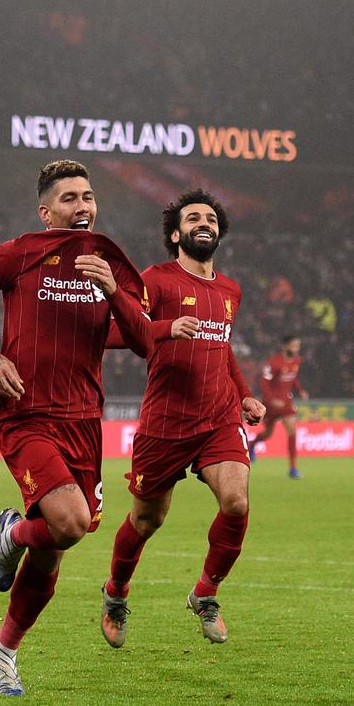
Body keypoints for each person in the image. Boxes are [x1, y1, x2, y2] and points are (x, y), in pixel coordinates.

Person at [0, 160, 166, 697]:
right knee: (67, 523)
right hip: (28, 415)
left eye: (88, 196)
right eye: (69, 198)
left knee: (57, 546)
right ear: (46, 211)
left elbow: (144, 340)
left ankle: (3, 653)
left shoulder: (109, 264)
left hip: (85, 421)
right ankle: (11, 531)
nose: (82, 206)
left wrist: (114, 292)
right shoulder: (16, 254)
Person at [100, 189, 267, 651]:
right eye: (193, 218)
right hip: (165, 423)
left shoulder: (230, 290)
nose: (204, 223)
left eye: (210, 218)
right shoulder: (155, 280)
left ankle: (205, 594)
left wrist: (246, 395)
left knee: (236, 502)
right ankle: (115, 592)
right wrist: (163, 329)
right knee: (147, 519)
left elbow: (223, 348)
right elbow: (116, 333)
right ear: (176, 234)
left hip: (218, 418)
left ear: (219, 232)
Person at [249, 336, 308, 478]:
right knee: (268, 434)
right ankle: (252, 444)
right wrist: (271, 400)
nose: (296, 349)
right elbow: (264, 383)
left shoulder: (296, 361)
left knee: (292, 432)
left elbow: (293, 378)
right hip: (271, 404)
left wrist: (300, 391)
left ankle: (293, 468)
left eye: (298, 346)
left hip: (286, 402)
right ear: (285, 346)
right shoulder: (274, 362)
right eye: (294, 345)